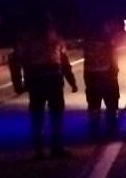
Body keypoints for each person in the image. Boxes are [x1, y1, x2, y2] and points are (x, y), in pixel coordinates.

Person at [9, 14, 78, 159]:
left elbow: (15, 61)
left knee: (37, 116)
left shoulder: (26, 38)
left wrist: (18, 85)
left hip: (35, 81)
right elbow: (64, 62)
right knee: (56, 115)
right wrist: (72, 82)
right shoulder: (55, 37)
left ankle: (38, 150)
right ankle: (56, 148)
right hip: (53, 80)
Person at [82, 18, 122, 141]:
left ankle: (94, 131)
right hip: (107, 75)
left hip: (91, 75)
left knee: (94, 104)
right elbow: (113, 58)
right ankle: (112, 130)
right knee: (111, 104)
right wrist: (115, 71)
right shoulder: (107, 41)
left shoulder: (87, 42)